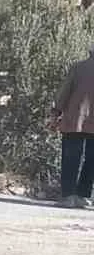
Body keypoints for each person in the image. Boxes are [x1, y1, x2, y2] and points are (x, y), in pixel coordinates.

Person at [51, 49, 94, 208]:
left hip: (74, 120)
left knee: (71, 159)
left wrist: (55, 114)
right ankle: (83, 196)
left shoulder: (78, 68)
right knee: (92, 160)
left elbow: (64, 92)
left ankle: (68, 196)